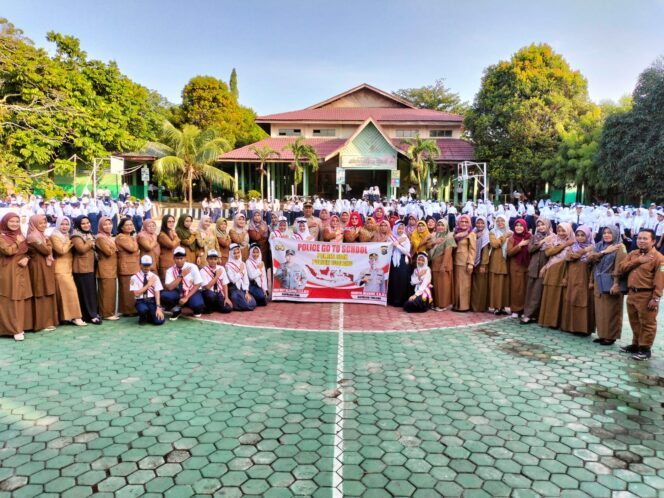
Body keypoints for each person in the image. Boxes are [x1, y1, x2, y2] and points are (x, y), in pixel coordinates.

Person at [616, 229, 664, 361]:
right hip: (632, 293)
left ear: (653, 241)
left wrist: (656, 297)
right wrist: (638, 261)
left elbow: (660, 279)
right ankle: (636, 344)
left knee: (647, 323)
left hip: (646, 295)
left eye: (645, 239)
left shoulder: (659, 258)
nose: (641, 241)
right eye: (639, 238)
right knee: (634, 321)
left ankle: (645, 349)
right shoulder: (633, 254)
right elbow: (621, 269)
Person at [587, 226, 626, 345]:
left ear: (615, 234)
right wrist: (605, 252)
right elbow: (590, 259)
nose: (606, 235)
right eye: (604, 233)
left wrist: (616, 284)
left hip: (611, 282)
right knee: (600, 310)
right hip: (599, 281)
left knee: (611, 310)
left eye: (610, 233)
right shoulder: (599, 246)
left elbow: (619, 267)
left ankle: (611, 336)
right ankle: (603, 334)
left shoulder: (620, 247)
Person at [0, 213, 33, 340]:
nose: (14, 224)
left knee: (21, 296)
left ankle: (21, 326)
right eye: (11, 221)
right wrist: (18, 243)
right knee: (10, 298)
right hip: (8, 270)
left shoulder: (20, 235)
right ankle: (13, 329)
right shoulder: (1, 237)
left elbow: (27, 251)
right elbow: (8, 251)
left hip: (22, 268)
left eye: (16, 221)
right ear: (5, 222)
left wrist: (27, 258)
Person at [51, 216, 87, 326]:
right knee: (71, 292)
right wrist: (69, 242)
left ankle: (66, 317)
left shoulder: (66, 235)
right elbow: (61, 251)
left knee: (65, 294)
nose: (64, 226)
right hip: (60, 269)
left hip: (68, 269)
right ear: (57, 224)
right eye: (62, 224)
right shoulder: (54, 236)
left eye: (67, 224)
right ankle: (76, 317)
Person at [538, 223, 575, 328]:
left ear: (568, 231)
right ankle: (548, 320)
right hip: (552, 270)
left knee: (560, 297)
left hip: (564, 271)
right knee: (550, 295)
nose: (561, 233)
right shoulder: (554, 240)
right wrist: (564, 245)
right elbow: (548, 253)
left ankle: (558, 322)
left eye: (563, 231)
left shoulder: (573, 243)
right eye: (559, 231)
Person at [560, 225, 595, 336]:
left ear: (588, 235)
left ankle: (582, 329)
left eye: (582, 235)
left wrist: (591, 281)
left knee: (582, 301)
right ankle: (569, 327)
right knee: (570, 299)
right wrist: (565, 278)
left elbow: (593, 265)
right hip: (572, 278)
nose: (580, 238)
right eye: (578, 235)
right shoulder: (574, 246)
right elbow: (568, 258)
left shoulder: (593, 248)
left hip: (584, 278)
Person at [26, 214, 58, 332]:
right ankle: (41, 323)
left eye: (45, 223)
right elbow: (46, 250)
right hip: (38, 267)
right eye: (40, 223)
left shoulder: (42, 236)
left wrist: (47, 243)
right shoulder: (33, 237)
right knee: (40, 292)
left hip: (45, 267)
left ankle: (48, 321)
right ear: (34, 224)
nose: (43, 225)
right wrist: (49, 244)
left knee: (47, 291)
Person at [71, 216, 102, 324]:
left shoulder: (89, 234)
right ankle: (91, 315)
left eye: (88, 222)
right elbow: (81, 250)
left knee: (91, 291)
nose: (86, 225)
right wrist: (90, 242)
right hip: (81, 268)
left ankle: (91, 313)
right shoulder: (76, 235)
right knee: (86, 292)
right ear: (79, 225)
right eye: (83, 223)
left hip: (90, 267)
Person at [521, 219, 552, 324]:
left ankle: (536, 315)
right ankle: (528, 314)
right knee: (531, 291)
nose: (540, 227)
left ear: (548, 225)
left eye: (543, 224)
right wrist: (542, 241)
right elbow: (530, 249)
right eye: (538, 225)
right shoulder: (535, 237)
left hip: (545, 267)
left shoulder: (553, 237)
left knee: (539, 292)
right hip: (534, 266)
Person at [163, 246, 206, 320]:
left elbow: (198, 284)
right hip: (178, 293)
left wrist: (186, 297)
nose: (179, 260)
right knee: (164, 295)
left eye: (181, 258)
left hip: (191, 292)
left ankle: (189, 304)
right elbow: (169, 287)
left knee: (198, 307)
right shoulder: (170, 270)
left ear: (185, 258)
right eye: (177, 258)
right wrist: (181, 276)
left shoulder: (192, 267)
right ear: (174, 258)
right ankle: (176, 310)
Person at [428, 218, 456, 311]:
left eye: (442, 225)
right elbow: (428, 246)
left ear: (446, 227)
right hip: (435, 265)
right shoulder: (435, 236)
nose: (440, 227)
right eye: (439, 225)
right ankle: (437, 304)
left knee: (444, 286)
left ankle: (443, 305)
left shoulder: (449, 237)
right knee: (436, 285)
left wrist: (443, 265)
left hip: (444, 265)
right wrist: (434, 242)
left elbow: (448, 253)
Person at [95, 216, 119, 320]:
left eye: (110, 224)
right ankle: (106, 313)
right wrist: (115, 246)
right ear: (100, 225)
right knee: (106, 292)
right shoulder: (100, 237)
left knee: (111, 291)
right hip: (105, 268)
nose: (108, 226)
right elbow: (108, 252)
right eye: (105, 224)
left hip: (111, 268)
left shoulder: (108, 237)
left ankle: (110, 312)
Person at [115, 217, 140, 317]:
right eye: (126, 225)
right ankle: (127, 310)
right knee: (127, 290)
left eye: (131, 224)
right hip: (126, 267)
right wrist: (135, 241)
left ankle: (132, 309)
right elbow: (133, 249)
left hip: (133, 266)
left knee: (132, 288)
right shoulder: (121, 237)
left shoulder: (130, 237)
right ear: (121, 227)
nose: (129, 227)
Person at [130, 255, 165, 326]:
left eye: (148, 265)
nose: (146, 267)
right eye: (144, 265)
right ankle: (143, 317)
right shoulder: (133, 278)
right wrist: (148, 285)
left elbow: (157, 292)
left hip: (152, 301)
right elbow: (136, 293)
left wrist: (158, 307)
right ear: (140, 264)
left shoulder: (155, 277)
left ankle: (149, 316)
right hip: (141, 301)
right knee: (143, 310)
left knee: (159, 321)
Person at [506, 218, 531, 318]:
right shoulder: (512, 238)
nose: (519, 227)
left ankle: (525, 309)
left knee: (526, 288)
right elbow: (509, 252)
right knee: (517, 289)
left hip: (527, 266)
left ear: (525, 227)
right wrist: (519, 245)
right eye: (517, 225)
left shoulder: (530, 237)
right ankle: (516, 309)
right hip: (516, 266)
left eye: (521, 225)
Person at [452, 214, 476, 312]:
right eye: (462, 221)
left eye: (466, 222)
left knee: (465, 285)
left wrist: (470, 263)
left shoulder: (471, 234)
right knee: (457, 284)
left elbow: (473, 249)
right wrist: (455, 237)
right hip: (455, 261)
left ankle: (464, 306)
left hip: (465, 262)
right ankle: (457, 305)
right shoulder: (456, 232)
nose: (464, 224)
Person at [488, 214, 511, 315]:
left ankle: (503, 307)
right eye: (498, 221)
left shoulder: (511, 233)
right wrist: (504, 236)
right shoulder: (492, 232)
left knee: (505, 285)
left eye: (502, 221)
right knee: (496, 284)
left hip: (507, 261)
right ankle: (496, 306)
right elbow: (495, 244)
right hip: (496, 261)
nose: (500, 223)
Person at [225, 243, 257, 311]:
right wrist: (241, 271)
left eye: (238, 252)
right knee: (247, 305)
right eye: (235, 253)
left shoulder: (242, 263)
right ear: (231, 254)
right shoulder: (228, 265)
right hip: (234, 289)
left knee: (253, 303)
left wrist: (246, 292)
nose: (237, 255)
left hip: (242, 289)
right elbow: (233, 279)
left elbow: (246, 280)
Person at [200, 249, 233, 313]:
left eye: (215, 259)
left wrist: (226, 298)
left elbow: (225, 284)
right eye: (211, 259)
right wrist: (217, 276)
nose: (213, 261)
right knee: (211, 295)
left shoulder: (221, 268)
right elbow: (207, 287)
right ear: (207, 259)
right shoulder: (203, 270)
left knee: (228, 308)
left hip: (219, 293)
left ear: (217, 259)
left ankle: (216, 306)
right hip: (208, 293)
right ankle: (208, 307)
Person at [387, 222, 412, 307]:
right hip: (393, 260)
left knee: (402, 280)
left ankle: (401, 301)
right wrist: (396, 243)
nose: (400, 230)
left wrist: (397, 244)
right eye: (399, 228)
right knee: (394, 280)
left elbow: (406, 251)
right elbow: (389, 249)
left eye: (402, 229)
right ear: (395, 228)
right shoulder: (391, 237)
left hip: (402, 261)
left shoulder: (406, 238)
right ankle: (393, 300)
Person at [471, 217, 491, 313]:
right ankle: (473, 305)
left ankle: (479, 307)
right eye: (478, 223)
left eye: (482, 223)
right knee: (474, 286)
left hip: (482, 263)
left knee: (480, 286)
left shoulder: (486, 235)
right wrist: (475, 236)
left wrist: (483, 265)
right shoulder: (473, 232)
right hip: (473, 263)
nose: (480, 225)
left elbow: (485, 251)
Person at [157, 214, 180, 282]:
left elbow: (177, 245)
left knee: (174, 283)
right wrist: (176, 237)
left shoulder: (172, 232)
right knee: (167, 283)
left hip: (173, 261)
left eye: (173, 221)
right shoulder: (162, 235)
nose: (171, 223)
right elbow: (171, 245)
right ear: (164, 222)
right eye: (169, 222)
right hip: (165, 262)